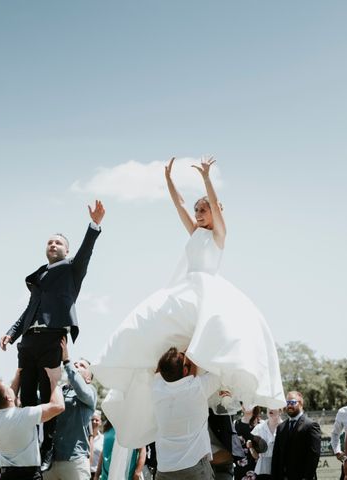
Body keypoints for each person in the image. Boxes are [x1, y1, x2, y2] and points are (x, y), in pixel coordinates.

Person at [91, 157, 285, 447]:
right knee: (152, 329)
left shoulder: (219, 234)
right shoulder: (195, 232)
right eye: (197, 210)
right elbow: (180, 205)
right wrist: (169, 181)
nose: (198, 213)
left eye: (203, 209)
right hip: (187, 290)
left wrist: (207, 178)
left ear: (215, 211)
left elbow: (215, 205)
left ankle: (214, 392)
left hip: (208, 291)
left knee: (212, 337)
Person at [0, 200, 105, 466]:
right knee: (27, 396)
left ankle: (48, 447)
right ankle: (30, 445)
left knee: (49, 396)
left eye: (58, 242)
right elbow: (28, 310)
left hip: (52, 339)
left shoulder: (71, 270)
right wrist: (11, 334)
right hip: (29, 341)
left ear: (66, 250)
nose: (53, 245)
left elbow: (86, 252)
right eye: (49, 242)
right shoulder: (39, 278)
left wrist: (95, 225)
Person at [152, 347, 220, 479]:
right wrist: (192, 351)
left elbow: (159, 371)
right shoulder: (197, 388)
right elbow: (218, 371)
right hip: (194, 467)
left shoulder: (156, 390)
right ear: (185, 370)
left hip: (165, 469)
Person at [0, 367, 65, 480]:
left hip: (7, 475)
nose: (11, 388)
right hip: (29, 476)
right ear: (9, 397)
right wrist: (54, 380)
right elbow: (58, 406)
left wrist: (18, 375)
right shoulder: (24, 415)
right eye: (8, 388)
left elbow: (8, 397)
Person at [44, 338, 97, 480]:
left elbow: (81, 389)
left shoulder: (90, 391)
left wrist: (67, 360)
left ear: (88, 378)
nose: (76, 366)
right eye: (75, 365)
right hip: (50, 461)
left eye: (82, 366)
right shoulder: (58, 391)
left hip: (75, 461)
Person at [270, 391, 321, 480]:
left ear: (301, 404)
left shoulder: (311, 425)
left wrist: (307, 477)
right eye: (287, 403)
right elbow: (276, 456)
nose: (289, 405)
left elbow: (314, 456)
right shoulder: (281, 427)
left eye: (292, 402)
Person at [250, 408, 283, 479]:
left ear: (280, 411)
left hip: (280, 469)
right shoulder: (259, 428)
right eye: (269, 407)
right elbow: (255, 456)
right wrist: (251, 448)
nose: (270, 409)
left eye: (274, 406)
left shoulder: (286, 427)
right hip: (262, 470)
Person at [234, 405, 261, 480]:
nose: (247, 405)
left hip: (256, 465)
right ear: (242, 406)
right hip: (240, 465)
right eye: (244, 402)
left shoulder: (261, 424)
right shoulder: (236, 424)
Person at [89, 411, 104, 479]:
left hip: (96, 475)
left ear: (100, 422)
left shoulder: (103, 439)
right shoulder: (83, 438)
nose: (94, 422)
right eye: (92, 420)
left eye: (96, 420)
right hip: (83, 472)